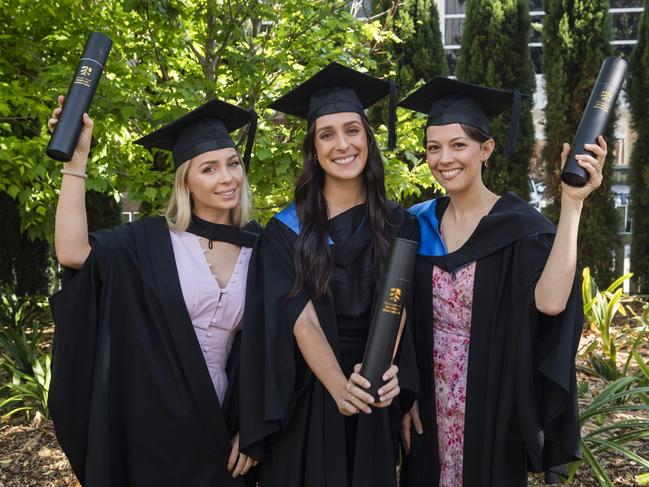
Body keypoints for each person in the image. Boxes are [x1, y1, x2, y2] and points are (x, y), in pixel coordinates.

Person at [397, 77, 605, 487]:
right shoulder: (416, 223)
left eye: (459, 145)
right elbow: (399, 317)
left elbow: (550, 303)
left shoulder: (518, 227)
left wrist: (572, 204)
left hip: (492, 399)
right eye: (433, 147)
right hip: (428, 404)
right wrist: (407, 394)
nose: (444, 158)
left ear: (486, 149)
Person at [48, 97, 261, 486]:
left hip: (224, 416)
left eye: (233, 163)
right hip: (152, 420)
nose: (227, 177)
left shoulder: (260, 247)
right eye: (208, 169)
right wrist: (75, 164)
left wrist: (254, 424)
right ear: (186, 181)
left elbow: (271, 347)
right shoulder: (150, 242)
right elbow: (73, 251)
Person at [238, 62, 419, 487]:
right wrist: (341, 388)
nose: (342, 144)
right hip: (312, 393)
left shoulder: (400, 224)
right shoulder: (285, 230)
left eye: (352, 130)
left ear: (368, 139)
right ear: (313, 149)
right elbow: (300, 319)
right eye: (327, 134)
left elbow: (398, 305)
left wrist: (385, 372)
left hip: (371, 386)